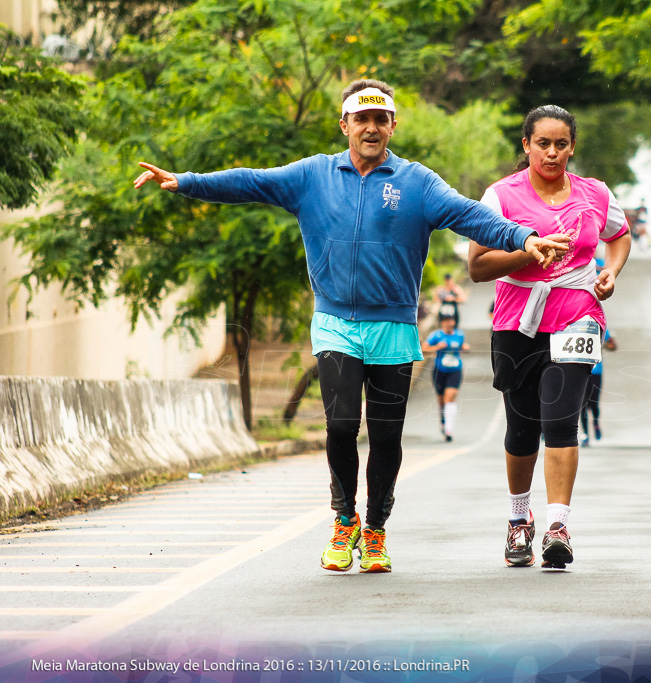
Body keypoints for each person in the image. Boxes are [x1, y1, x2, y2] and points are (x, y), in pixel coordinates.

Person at [133, 78, 569, 574]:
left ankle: (376, 530)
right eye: (360, 118)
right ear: (344, 125)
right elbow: (251, 181)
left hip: (393, 328)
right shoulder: (312, 177)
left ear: (392, 126)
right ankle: (344, 522)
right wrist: (186, 181)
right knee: (341, 425)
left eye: (380, 119)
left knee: (385, 438)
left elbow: (471, 215)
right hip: (336, 322)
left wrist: (525, 237)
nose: (370, 127)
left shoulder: (416, 183)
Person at [468, 104, 631, 569]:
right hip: (517, 320)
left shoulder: (595, 194)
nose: (553, 153)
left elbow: (620, 236)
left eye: (561, 144)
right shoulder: (501, 196)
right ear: (527, 145)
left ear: (572, 147)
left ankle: (558, 527)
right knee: (522, 426)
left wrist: (611, 273)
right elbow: (478, 267)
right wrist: (526, 252)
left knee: (561, 420)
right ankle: (519, 521)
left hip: (578, 312)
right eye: (543, 143)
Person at [423, 314, 468, 442]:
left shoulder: (459, 335)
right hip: (439, 370)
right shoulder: (436, 335)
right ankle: (443, 423)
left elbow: (462, 345)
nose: (449, 323)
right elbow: (424, 349)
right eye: (446, 321)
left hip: (455, 370)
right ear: (442, 323)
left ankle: (449, 429)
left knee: (451, 397)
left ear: (454, 322)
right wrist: (437, 347)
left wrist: (465, 347)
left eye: (451, 321)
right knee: (441, 400)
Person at [580, 327, 616, 447]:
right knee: (582, 405)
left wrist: (604, 344)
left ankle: (595, 423)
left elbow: (613, 346)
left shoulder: (600, 325)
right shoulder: (573, 323)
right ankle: (585, 434)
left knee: (593, 404)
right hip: (579, 370)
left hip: (596, 371)